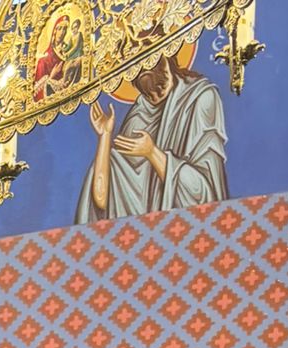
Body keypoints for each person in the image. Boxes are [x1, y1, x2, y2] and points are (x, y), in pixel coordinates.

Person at [77, 42, 227, 223]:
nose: (155, 97)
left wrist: (152, 153)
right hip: (141, 234)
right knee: (114, 159)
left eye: (148, 58)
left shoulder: (201, 99)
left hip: (186, 229)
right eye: (149, 95)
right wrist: (105, 136)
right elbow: (103, 202)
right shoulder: (137, 117)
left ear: (166, 58)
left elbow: (204, 195)